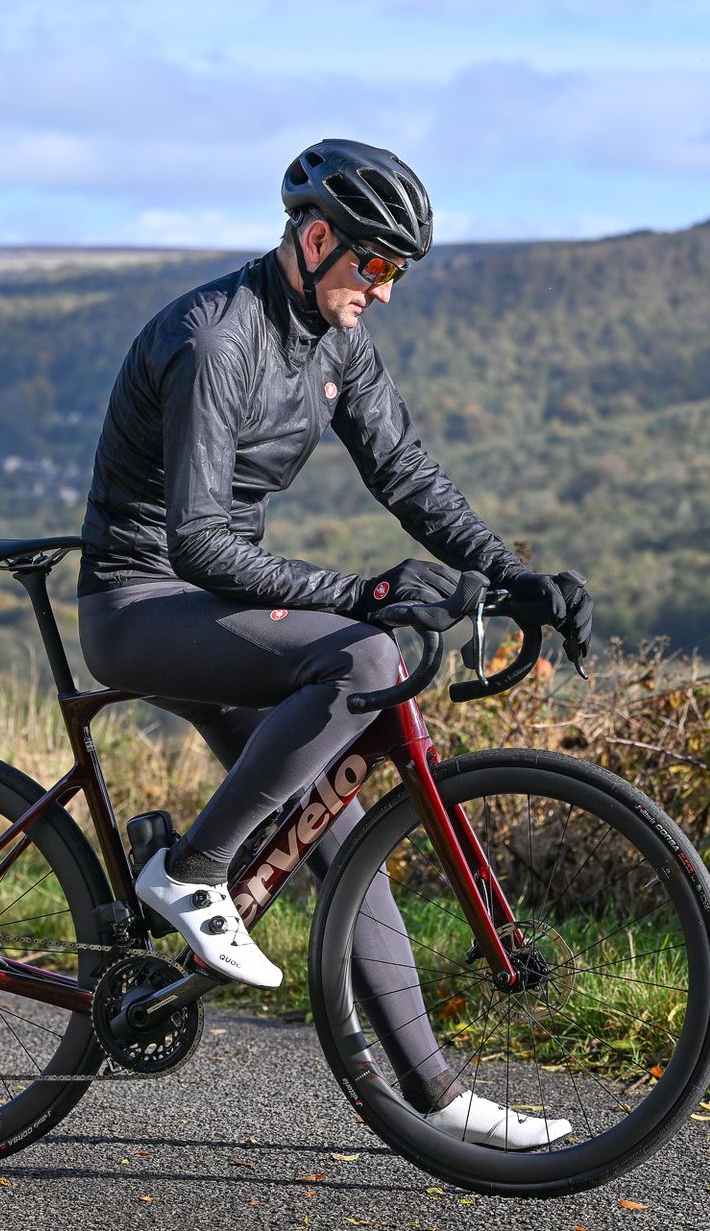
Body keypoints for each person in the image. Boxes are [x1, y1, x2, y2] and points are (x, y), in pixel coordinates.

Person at [75, 139, 592, 1148]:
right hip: (144, 606)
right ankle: (191, 870)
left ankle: (440, 1095)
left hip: (216, 613)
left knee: (345, 832)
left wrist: (511, 571)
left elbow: (405, 470)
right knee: (364, 654)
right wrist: (364, 590)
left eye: (396, 271)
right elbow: (199, 541)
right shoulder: (215, 337)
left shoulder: (333, 338)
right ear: (316, 240)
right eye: (377, 265)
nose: (386, 290)